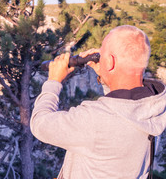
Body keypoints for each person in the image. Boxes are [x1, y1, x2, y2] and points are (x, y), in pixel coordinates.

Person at [30, 25, 166, 179]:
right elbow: (122, 109)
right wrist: (106, 77)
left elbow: (40, 124)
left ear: (110, 61)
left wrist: (53, 81)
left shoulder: (94, 119)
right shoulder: (156, 106)